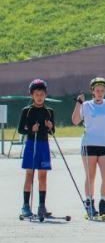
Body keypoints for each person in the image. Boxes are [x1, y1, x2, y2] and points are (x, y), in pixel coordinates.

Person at [72, 77, 105, 219]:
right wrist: (79, 103)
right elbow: (75, 121)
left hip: (104, 144)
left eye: (102, 91)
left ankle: (103, 203)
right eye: (97, 90)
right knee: (90, 176)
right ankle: (89, 203)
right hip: (88, 144)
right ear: (92, 91)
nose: (99, 93)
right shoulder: (85, 105)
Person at [19, 79, 55, 221]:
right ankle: (26, 205)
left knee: (43, 176)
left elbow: (53, 132)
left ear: (45, 94)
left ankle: (42, 205)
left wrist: (50, 126)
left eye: (41, 94)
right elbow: (20, 129)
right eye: (36, 94)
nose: (39, 96)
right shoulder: (26, 111)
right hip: (31, 144)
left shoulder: (49, 111)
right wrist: (30, 130)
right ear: (32, 95)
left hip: (43, 145)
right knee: (29, 175)